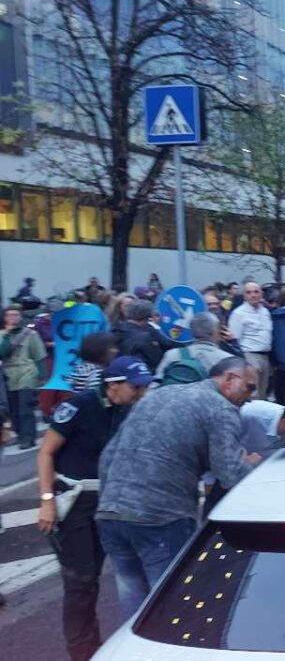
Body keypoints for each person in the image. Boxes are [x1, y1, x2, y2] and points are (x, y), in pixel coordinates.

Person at [96, 357, 260, 619]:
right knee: (173, 607)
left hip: (111, 513)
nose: (251, 397)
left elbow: (107, 457)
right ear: (229, 379)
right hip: (161, 515)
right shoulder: (220, 408)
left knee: (134, 608)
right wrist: (253, 465)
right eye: (249, 387)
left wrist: (110, 501)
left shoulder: (157, 396)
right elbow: (229, 474)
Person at [35, 357, 151, 660]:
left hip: (108, 499)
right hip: (74, 500)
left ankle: (97, 644)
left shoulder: (128, 409)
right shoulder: (80, 406)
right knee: (80, 580)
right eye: (135, 387)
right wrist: (46, 501)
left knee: (98, 573)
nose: (141, 392)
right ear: (113, 385)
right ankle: (83, 651)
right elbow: (46, 452)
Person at [1, 304, 47, 449]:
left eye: (16, 315)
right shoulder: (2, 335)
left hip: (27, 372)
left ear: (20, 317)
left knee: (25, 406)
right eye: (10, 315)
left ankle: (28, 437)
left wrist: (42, 375)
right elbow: (2, 352)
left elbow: (39, 355)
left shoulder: (30, 334)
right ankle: (22, 434)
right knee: (13, 409)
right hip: (8, 375)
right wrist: (7, 335)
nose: (13, 318)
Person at [227, 281, 272, 400]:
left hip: (265, 357)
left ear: (261, 294)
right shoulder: (238, 314)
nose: (253, 295)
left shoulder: (265, 311)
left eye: (256, 292)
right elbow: (234, 340)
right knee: (252, 395)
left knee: (263, 394)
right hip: (249, 356)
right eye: (249, 292)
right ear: (244, 296)